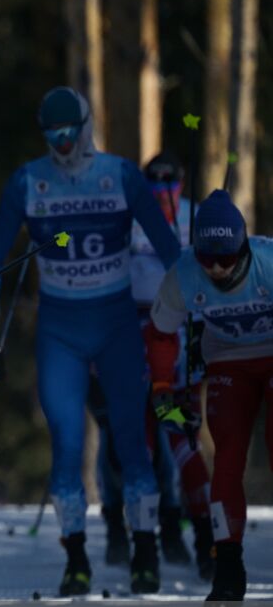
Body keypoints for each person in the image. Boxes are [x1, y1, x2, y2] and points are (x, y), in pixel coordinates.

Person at [0, 86, 179, 595]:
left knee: (132, 441)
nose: (62, 146)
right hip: (60, 330)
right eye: (52, 137)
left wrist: (195, 316)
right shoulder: (29, 180)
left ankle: (146, 554)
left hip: (115, 325)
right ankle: (76, 560)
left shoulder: (121, 175)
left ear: (85, 127)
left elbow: (171, 251)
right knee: (66, 447)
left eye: (69, 134)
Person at [147, 191, 271, 603]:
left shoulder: (268, 265)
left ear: (244, 246)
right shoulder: (184, 273)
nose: (216, 268)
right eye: (207, 258)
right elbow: (161, 333)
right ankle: (229, 565)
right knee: (228, 457)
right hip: (229, 364)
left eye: (227, 258)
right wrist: (163, 387)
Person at [91, 152, 212, 571]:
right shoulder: (125, 216)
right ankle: (117, 528)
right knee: (117, 432)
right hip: (126, 333)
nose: (162, 187)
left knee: (173, 433)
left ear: (181, 180)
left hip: (176, 335)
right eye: (153, 181)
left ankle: (176, 528)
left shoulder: (195, 216)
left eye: (170, 179)